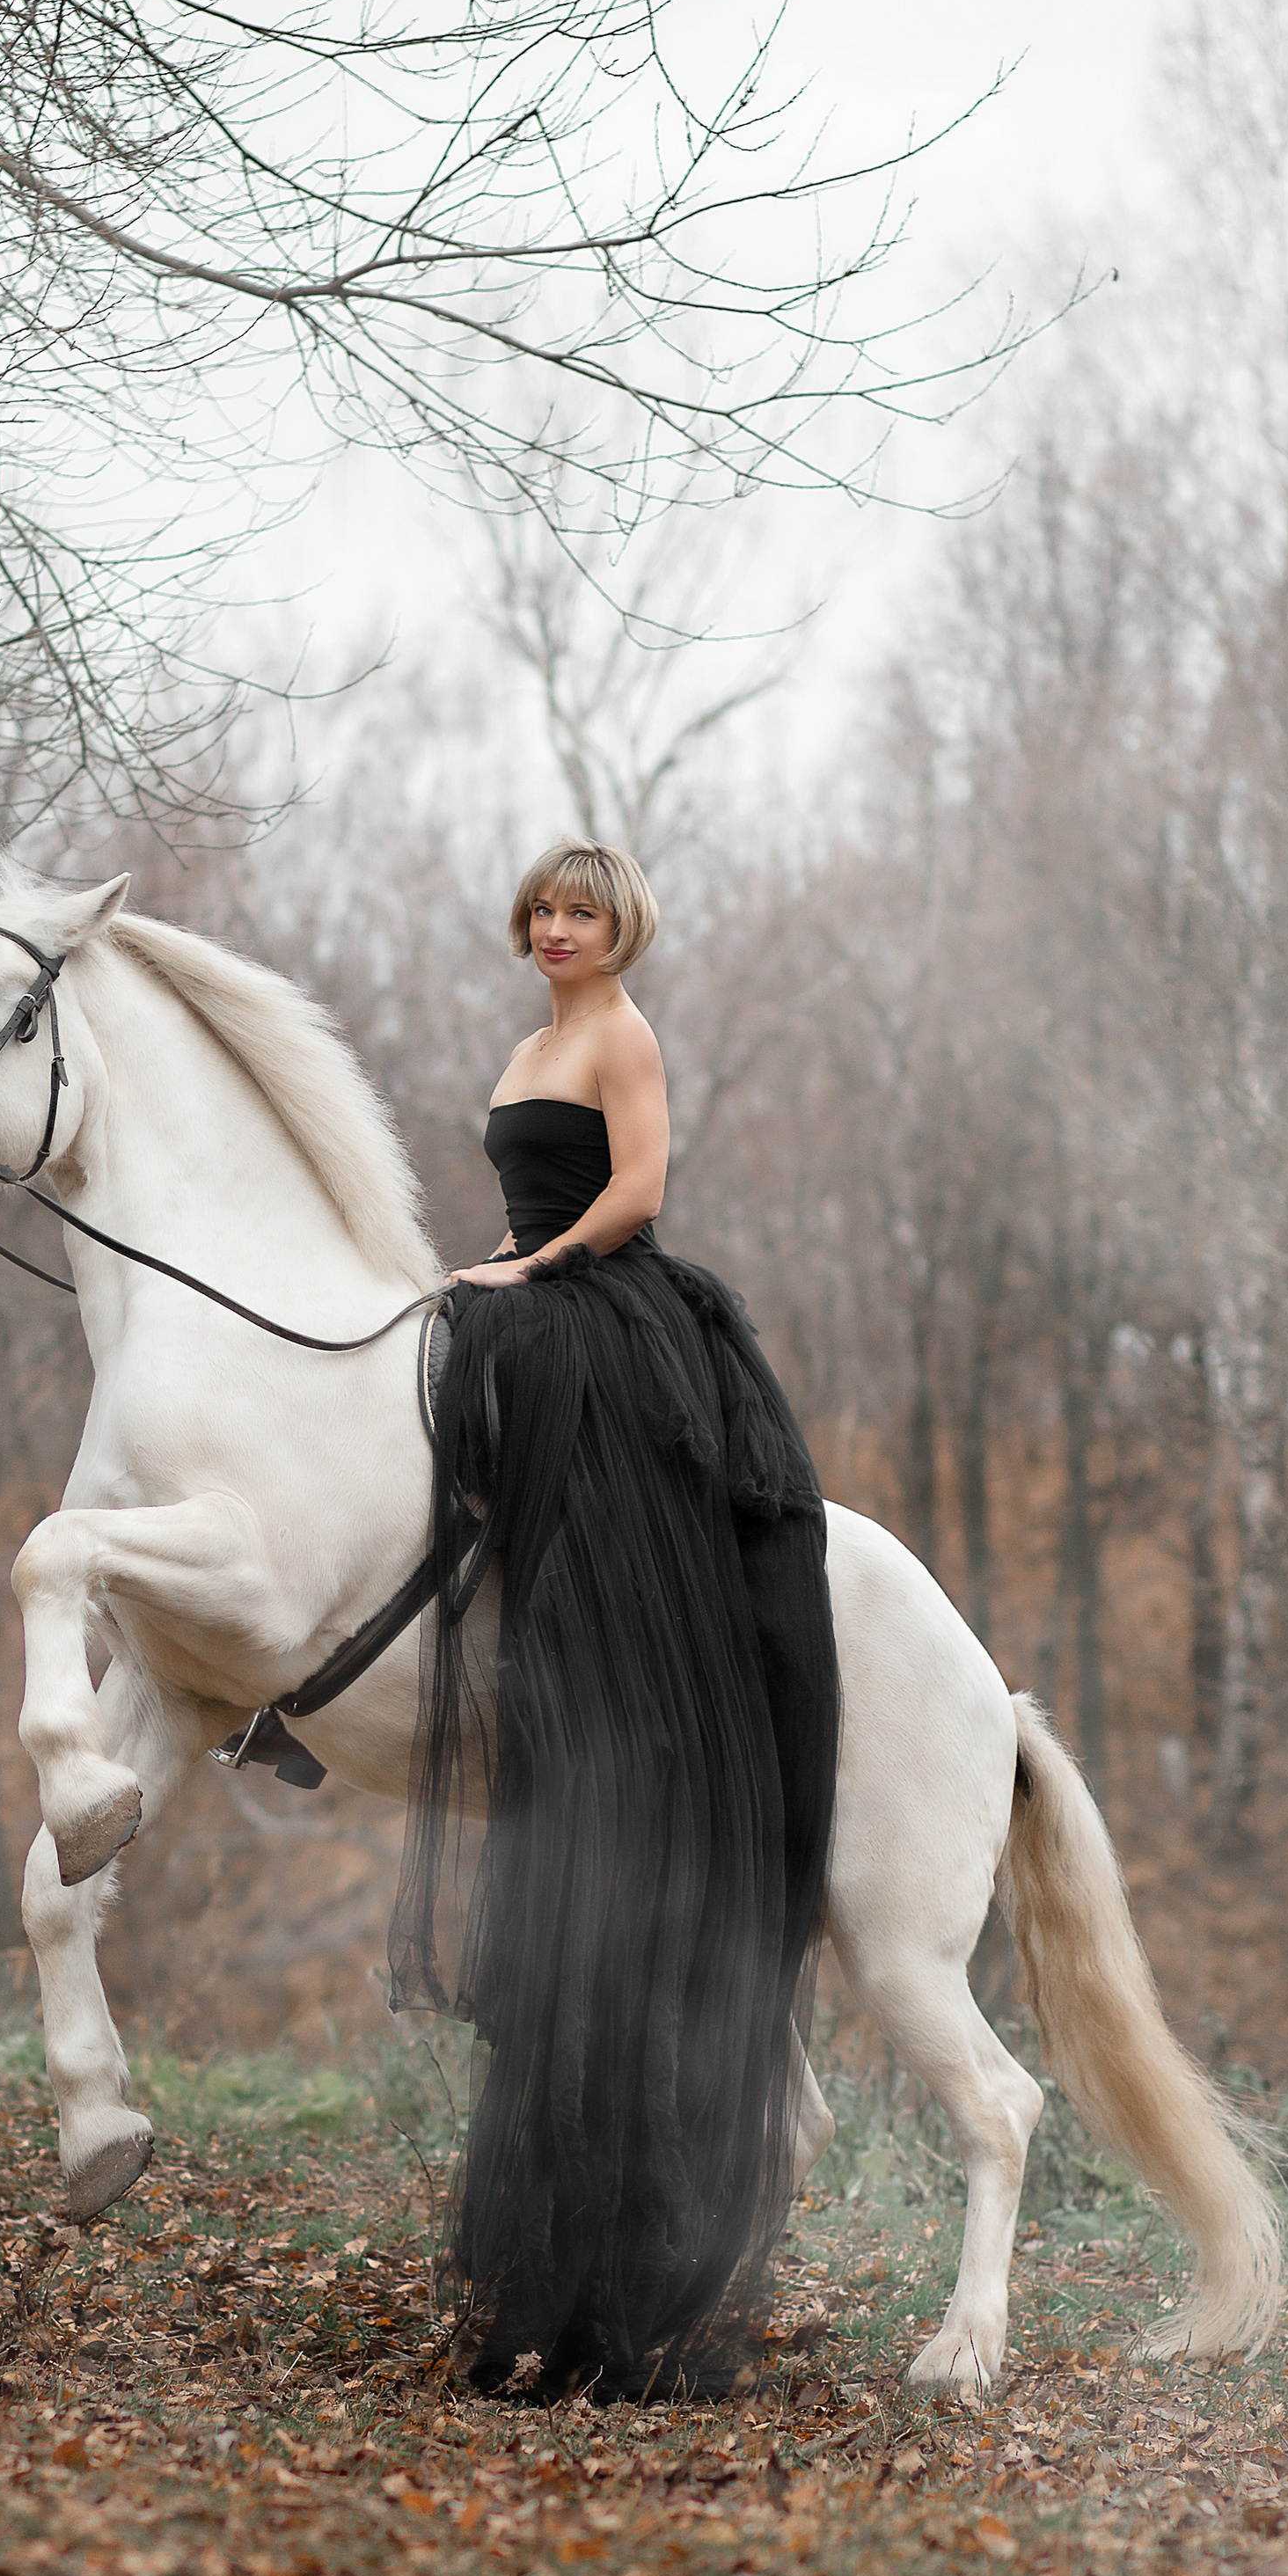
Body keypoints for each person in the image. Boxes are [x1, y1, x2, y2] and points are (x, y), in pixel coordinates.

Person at [391, 839, 839, 2398]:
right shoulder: (526, 1043)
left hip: (607, 1314)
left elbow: (638, 1192)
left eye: (578, 913)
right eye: (539, 912)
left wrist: (527, 1270)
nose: (554, 931)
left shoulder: (619, 1035)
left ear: (617, 927)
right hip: (525, 1292)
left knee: (567, 1528)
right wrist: (493, 1276)